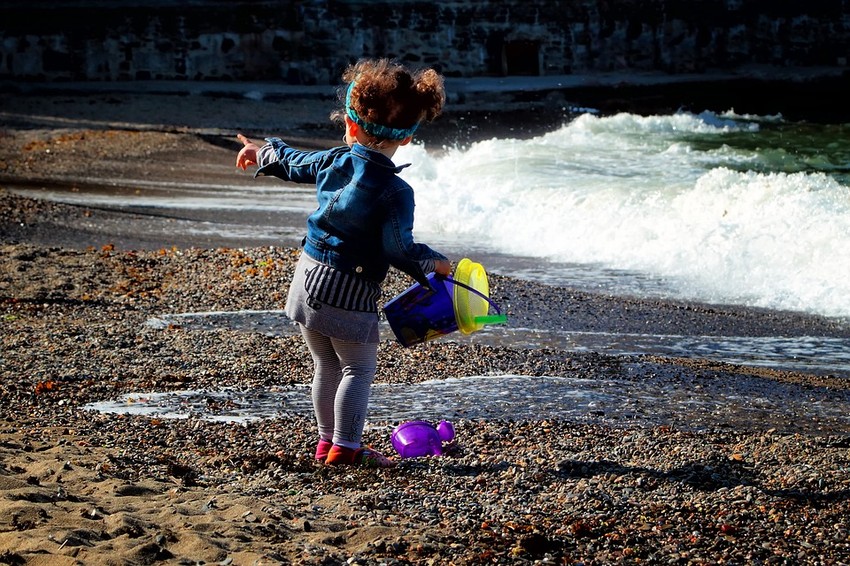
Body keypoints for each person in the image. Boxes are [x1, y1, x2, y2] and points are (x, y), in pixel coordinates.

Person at [235, 58, 452, 468]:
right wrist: (436, 264)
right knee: (358, 368)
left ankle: (326, 443)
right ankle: (347, 448)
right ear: (407, 138)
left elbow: (295, 162)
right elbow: (399, 250)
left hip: (306, 277)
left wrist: (261, 151)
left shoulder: (336, 160)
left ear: (351, 125)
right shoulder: (395, 191)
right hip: (346, 290)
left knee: (326, 363)